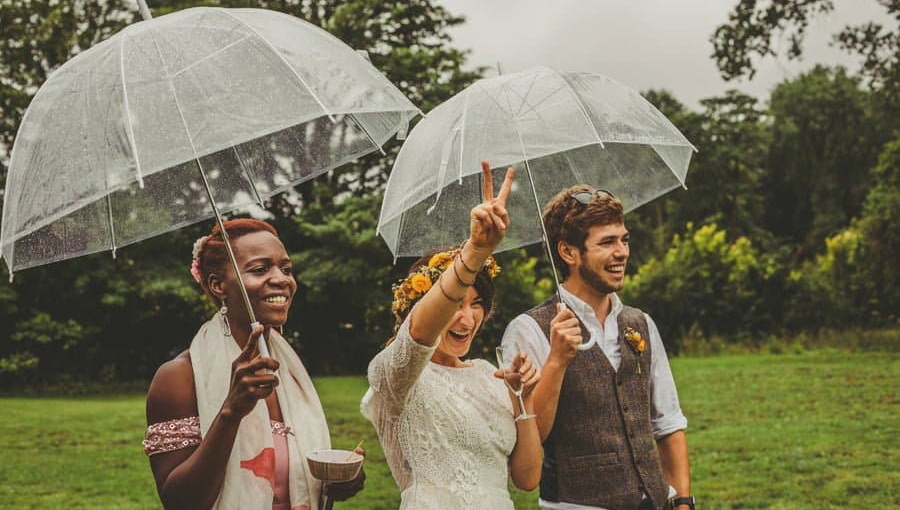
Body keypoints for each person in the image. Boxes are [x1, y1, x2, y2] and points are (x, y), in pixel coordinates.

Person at [142, 219, 364, 510]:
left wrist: (337, 482)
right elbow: (180, 503)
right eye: (260, 269)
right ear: (218, 285)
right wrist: (230, 412)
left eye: (286, 268)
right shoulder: (179, 377)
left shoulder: (290, 372)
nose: (281, 279)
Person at [361, 161, 542, 509]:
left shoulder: (490, 374)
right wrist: (474, 252)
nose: (466, 317)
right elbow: (417, 335)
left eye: (476, 304)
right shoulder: (397, 376)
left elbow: (527, 479)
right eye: (456, 302)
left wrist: (524, 398)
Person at [501, 186, 693, 510]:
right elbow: (530, 441)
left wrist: (684, 501)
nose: (622, 252)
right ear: (568, 252)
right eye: (607, 242)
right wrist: (556, 361)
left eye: (624, 239)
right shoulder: (528, 330)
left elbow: (668, 422)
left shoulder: (641, 322)